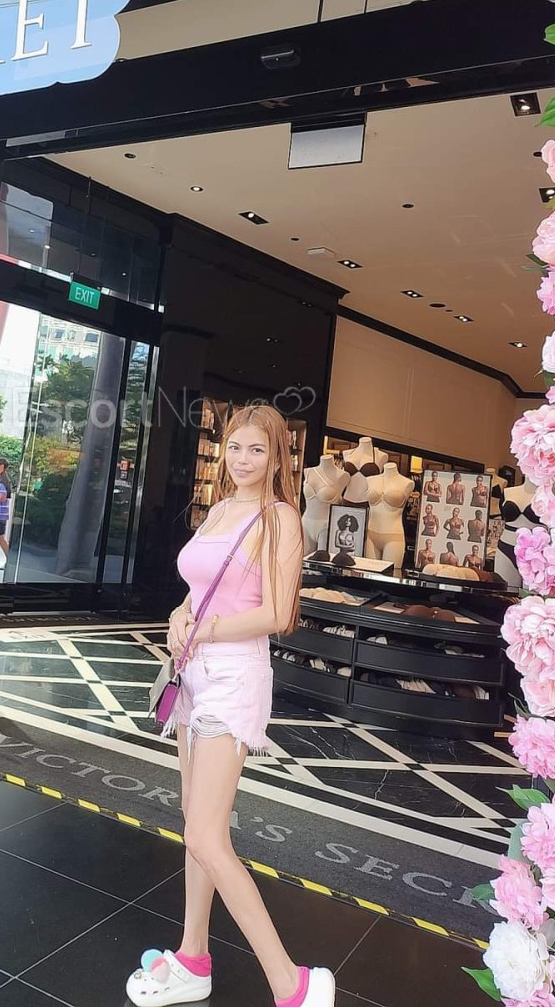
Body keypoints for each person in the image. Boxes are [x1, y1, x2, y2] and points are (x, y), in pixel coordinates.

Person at [128, 404, 334, 1007]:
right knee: (195, 825)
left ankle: (291, 982)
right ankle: (193, 956)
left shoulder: (281, 518)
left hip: (234, 676)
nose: (243, 460)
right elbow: (199, 588)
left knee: (206, 834)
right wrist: (180, 614)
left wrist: (209, 629)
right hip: (192, 671)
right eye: (235, 447)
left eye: (257, 450)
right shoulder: (219, 509)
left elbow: (280, 613)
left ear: (277, 457)